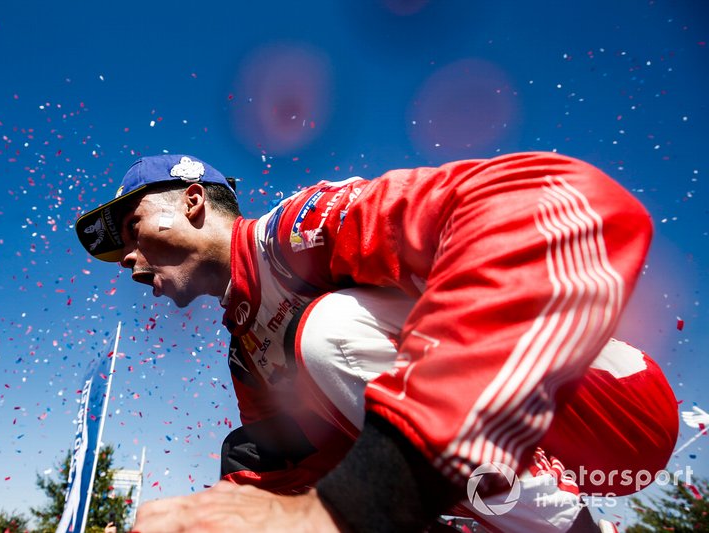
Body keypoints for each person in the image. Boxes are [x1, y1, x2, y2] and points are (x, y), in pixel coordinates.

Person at [76, 153, 677, 532]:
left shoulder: (296, 230)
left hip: (616, 408)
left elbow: (556, 204)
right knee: (257, 458)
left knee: (328, 332)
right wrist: (208, 517)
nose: (127, 260)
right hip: (554, 461)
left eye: (132, 231)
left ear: (192, 201)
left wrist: (353, 505)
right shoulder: (244, 347)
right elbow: (303, 473)